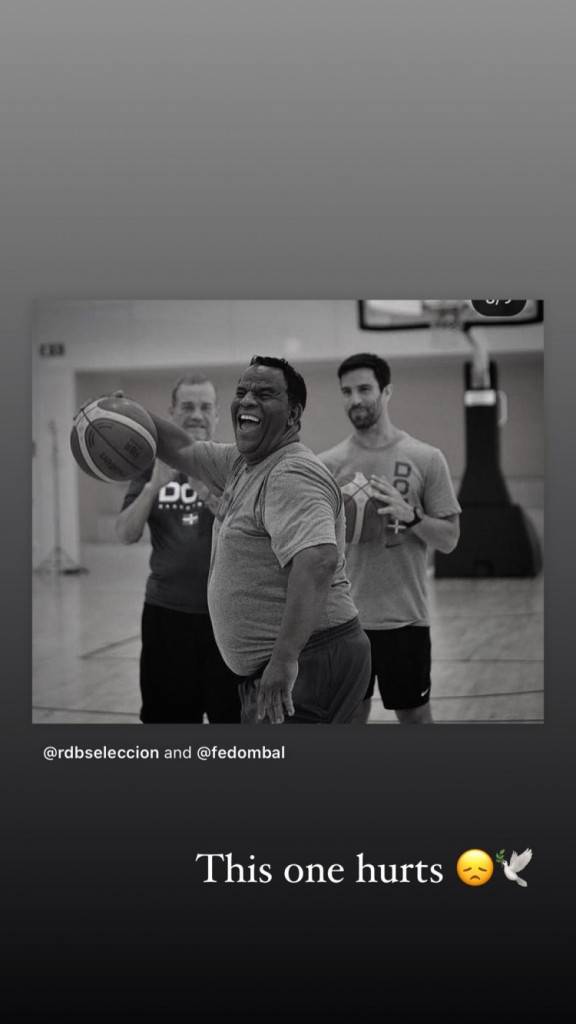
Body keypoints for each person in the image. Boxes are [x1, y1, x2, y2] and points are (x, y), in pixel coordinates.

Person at [130, 355, 371, 725]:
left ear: (293, 414)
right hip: (295, 658)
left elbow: (318, 561)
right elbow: (182, 449)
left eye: (264, 393)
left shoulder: (291, 471)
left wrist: (285, 658)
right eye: (241, 391)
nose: (247, 400)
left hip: (310, 658)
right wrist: (127, 415)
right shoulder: (244, 462)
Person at [319, 353, 461, 724]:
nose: (355, 400)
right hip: (344, 623)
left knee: (415, 719)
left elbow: (449, 539)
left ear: (387, 392)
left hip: (406, 621)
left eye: (364, 389)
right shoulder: (327, 466)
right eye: (347, 392)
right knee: (347, 720)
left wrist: (411, 516)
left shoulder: (426, 458)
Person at [116, 375, 241, 724]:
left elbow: (257, 536)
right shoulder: (150, 464)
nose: (196, 415)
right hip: (166, 616)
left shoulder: (233, 464)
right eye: (187, 406)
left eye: (205, 407)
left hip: (227, 620)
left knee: (233, 723)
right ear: (172, 412)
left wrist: (213, 499)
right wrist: (152, 487)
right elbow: (125, 533)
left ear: (217, 415)